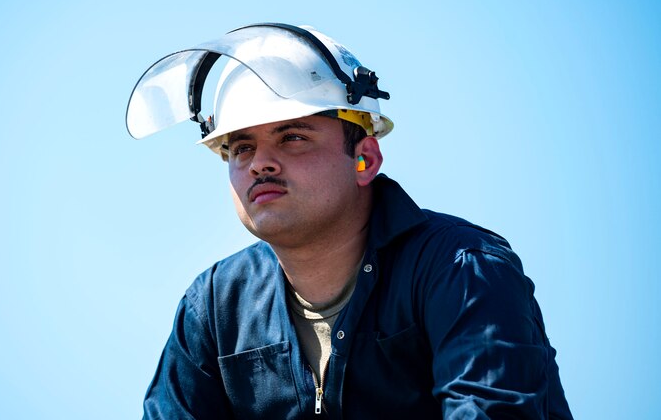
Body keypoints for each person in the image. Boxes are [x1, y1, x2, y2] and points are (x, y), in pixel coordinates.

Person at [126, 23, 573, 419]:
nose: (260, 163)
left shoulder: (459, 269)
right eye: (241, 148)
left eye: (292, 137)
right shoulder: (215, 307)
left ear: (365, 160)